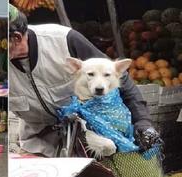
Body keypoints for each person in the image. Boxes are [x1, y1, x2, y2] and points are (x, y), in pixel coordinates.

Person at [9, 4, 162, 158]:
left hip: (87, 140)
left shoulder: (64, 40)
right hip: (38, 144)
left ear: (16, 37)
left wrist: (143, 122)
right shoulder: (3, 66)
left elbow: (118, 76)